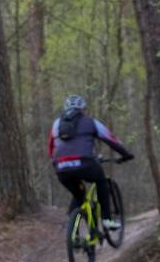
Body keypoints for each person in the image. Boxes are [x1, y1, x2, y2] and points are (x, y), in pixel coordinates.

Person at [48, 94, 133, 227]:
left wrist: (56, 163)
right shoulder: (91, 122)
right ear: (83, 109)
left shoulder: (56, 124)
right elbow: (111, 140)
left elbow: (51, 148)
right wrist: (126, 154)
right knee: (101, 181)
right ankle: (106, 219)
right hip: (85, 164)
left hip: (61, 167)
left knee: (79, 194)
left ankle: (73, 223)